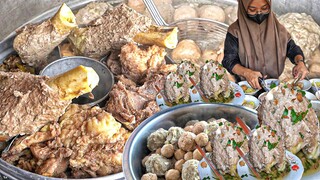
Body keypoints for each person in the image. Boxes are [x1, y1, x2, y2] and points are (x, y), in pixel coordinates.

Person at [222, 0, 309, 89]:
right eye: (252, 9)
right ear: (243, 8)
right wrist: (247, 73)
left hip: (272, 85)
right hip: (247, 87)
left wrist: (300, 63)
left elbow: (292, 49)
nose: (259, 13)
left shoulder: (277, 29)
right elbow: (228, 61)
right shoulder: (235, 31)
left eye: (264, 8)